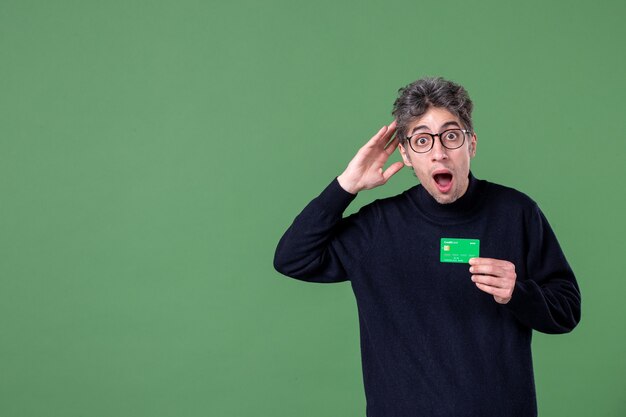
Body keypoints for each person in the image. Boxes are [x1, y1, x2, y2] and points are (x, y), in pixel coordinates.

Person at [273, 76, 581, 417]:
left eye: (451, 136)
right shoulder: (378, 227)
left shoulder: (516, 212)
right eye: (422, 140)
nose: (439, 153)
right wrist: (346, 185)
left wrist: (518, 292)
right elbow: (292, 258)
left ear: (471, 144)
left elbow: (566, 311)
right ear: (405, 153)